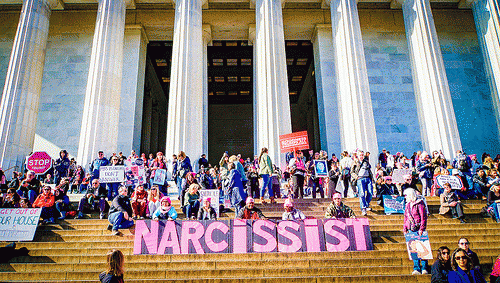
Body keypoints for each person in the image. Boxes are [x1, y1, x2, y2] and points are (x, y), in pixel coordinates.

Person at [403, 188, 428, 275]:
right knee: (413, 250)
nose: (405, 197)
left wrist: (422, 228)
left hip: (418, 228)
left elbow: (423, 217)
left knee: (422, 248)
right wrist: (405, 228)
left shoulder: (420, 203)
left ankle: (424, 267)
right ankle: (416, 267)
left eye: (406, 195)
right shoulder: (407, 205)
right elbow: (406, 217)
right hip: (410, 228)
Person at [352, 150, 374, 216]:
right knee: (361, 193)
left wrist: (372, 178)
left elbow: (369, 170)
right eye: (360, 155)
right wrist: (356, 177)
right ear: (358, 156)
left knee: (370, 193)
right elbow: (352, 172)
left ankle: (366, 204)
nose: (361, 156)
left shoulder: (366, 162)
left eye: (362, 155)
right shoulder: (355, 162)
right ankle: (363, 208)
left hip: (367, 178)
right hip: (360, 178)